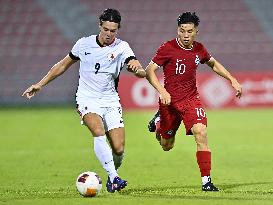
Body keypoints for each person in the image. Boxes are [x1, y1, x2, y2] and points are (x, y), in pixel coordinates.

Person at [22, 8, 146, 193]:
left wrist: (138, 69)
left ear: (118, 29)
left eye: (113, 31)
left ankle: (112, 174)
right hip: (87, 98)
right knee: (98, 130)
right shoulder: (84, 44)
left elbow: (134, 64)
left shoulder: (122, 47)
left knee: (119, 149)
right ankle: (114, 178)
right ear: (100, 26)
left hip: (110, 101)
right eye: (106, 29)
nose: (109, 34)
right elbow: (63, 64)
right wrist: (40, 84)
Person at [145, 12, 242, 191]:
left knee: (201, 132)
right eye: (182, 31)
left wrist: (232, 79)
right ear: (178, 30)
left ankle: (206, 181)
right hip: (169, 104)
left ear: (196, 31)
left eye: (190, 31)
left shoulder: (199, 49)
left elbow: (213, 63)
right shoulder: (167, 48)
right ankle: (159, 123)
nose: (186, 35)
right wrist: (162, 90)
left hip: (191, 100)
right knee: (167, 145)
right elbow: (149, 70)